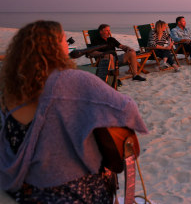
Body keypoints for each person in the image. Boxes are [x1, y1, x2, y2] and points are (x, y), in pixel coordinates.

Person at [0, 20, 147, 202]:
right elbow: (127, 108)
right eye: (63, 39)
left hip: (21, 186)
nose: (67, 43)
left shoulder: (9, 91)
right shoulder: (75, 80)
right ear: (56, 47)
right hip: (69, 192)